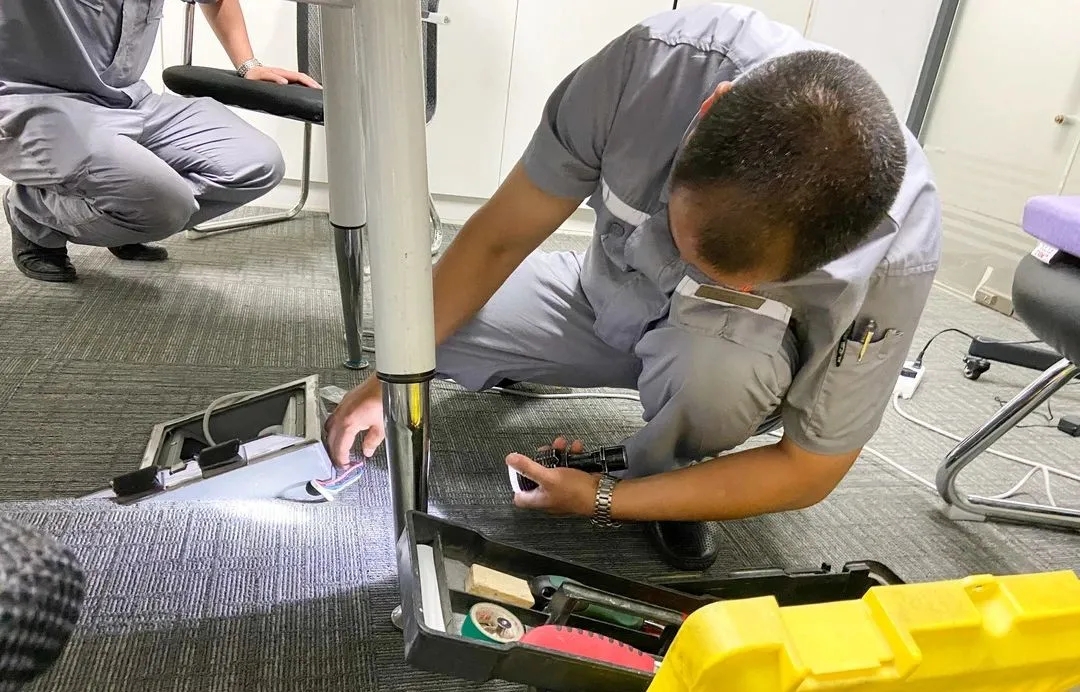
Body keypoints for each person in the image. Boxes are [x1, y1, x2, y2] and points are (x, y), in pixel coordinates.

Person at [326, 4, 942, 571]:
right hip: (601, 296)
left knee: (716, 377)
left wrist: (605, 498)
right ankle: (532, 370)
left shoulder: (895, 250)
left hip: (721, 361)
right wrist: (388, 380)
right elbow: (496, 241)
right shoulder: (646, 70)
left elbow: (809, 470)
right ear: (707, 112)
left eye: (737, 282)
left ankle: (672, 471)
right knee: (419, 327)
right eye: (684, 238)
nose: (698, 274)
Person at [0, 0, 318, 283]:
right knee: (165, 205)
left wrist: (248, 64)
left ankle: (125, 217)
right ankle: (32, 216)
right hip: (37, 105)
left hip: (132, 100)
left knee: (259, 163)